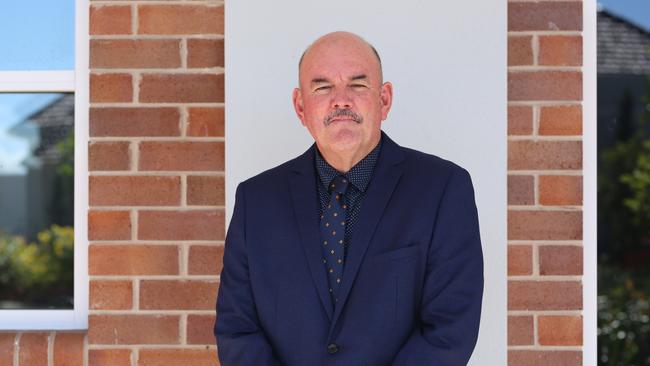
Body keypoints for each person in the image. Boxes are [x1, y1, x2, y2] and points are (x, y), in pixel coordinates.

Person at [215, 31, 484, 365]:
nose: (340, 100)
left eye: (357, 85)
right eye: (323, 87)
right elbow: (237, 328)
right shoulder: (255, 201)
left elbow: (448, 330)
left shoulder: (443, 189)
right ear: (301, 106)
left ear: (384, 99)